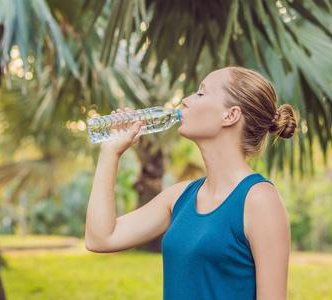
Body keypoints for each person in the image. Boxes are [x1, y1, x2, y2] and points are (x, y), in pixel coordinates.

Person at [85, 66, 297, 300]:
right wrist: (110, 153)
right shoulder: (179, 197)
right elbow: (101, 238)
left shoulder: (259, 200)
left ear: (230, 115)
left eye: (201, 93)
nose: (186, 100)